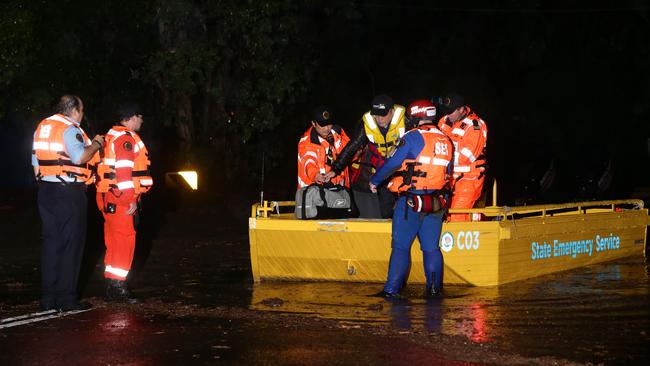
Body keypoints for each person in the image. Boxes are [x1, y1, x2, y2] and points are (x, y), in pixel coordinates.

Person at [369, 99, 452, 298]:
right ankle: (434, 290)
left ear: (416, 117)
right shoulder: (446, 141)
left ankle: (391, 290)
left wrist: (375, 180)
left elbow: (393, 163)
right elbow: (449, 173)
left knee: (400, 247)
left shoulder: (413, 137)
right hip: (435, 203)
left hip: (410, 202)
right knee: (432, 248)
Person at [32, 95, 105, 311]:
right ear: (73, 110)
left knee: (51, 244)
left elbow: (35, 161)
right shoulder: (69, 128)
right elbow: (79, 158)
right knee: (72, 245)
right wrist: (96, 144)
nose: (82, 114)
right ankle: (67, 299)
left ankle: (48, 298)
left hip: (46, 190)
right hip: (69, 193)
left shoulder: (43, 127)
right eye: (81, 110)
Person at [95, 102, 153, 303]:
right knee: (124, 240)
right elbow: (124, 173)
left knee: (113, 241)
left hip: (108, 196)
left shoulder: (110, 136)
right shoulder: (125, 139)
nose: (142, 120)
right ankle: (118, 288)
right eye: (139, 116)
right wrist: (131, 199)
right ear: (131, 117)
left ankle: (113, 285)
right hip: (120, 197)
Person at [325, 94, 407, 218]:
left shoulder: (406, 121)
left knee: (406, 205)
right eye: (376, 114)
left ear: (392, 111)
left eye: (383, 114)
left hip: (404, 168)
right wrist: (335, 169)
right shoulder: (367, 123)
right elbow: (352, 147)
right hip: (384, 168)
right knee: (386, 208)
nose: (379, 118)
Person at [436, 93, 487, 221]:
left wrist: (440, 155)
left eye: (451, 112)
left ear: (461, 109)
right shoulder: (443, 121)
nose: (448, 115)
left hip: (469, 179)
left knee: (457, 216)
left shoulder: (475, 126)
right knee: (439, 214)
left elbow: (466, 157)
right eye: (446, 111)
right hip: (446, 178)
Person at [297, 107, 350, 188]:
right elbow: (308, 159)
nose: (327, 128)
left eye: (329, 124)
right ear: (313, 123)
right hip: (316, 194)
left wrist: (357, 153)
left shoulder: (338, 132)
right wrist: (315, 174)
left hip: (341, 191)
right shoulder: (307, 141)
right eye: (323, 125)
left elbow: (349, 152)